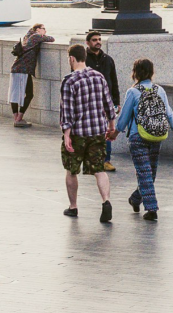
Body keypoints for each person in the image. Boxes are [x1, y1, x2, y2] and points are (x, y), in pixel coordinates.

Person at [108, 58, 173, 221]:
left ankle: (144, 204)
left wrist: (114, 133)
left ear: (135, 73)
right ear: (151, 72)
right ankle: (144, 204)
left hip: (138, 137)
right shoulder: (160, 90)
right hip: (157, 135)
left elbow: (124, 117)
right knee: (150, 173)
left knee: (145, 173)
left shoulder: (133, 92)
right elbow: (168, 112)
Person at [58, 44, 113, 222]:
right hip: (98, 131)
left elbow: (67, 111)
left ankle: (73, 207)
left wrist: (66, 134)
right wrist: (111, 126)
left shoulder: (69, 81)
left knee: (71, 170)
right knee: (99, 169)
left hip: (77, 134)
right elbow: (109, 105)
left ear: (72, 59)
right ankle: (106, 201)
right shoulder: (99, 77)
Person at [84, 31, 120, 172]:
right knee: (89, 130)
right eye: (94, 40)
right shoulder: (84, 59)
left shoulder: (108, 59)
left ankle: (106, 160)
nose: (98, 42)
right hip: (89, 101)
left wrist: (116, 101)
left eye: (99, 39)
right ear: (88, 43)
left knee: (107, 130)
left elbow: (114, 81)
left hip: (106, 101)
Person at [9, 24, 53, 128]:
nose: (45, 30)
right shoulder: (36, 36)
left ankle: (16, 118)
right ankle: (19, 119)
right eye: (43, 28)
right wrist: (42, 35)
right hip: (24, 69)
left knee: (14, 94)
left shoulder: (26, 36)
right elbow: (51, 39)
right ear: (37, 29)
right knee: (29, 94)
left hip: (16, 68)